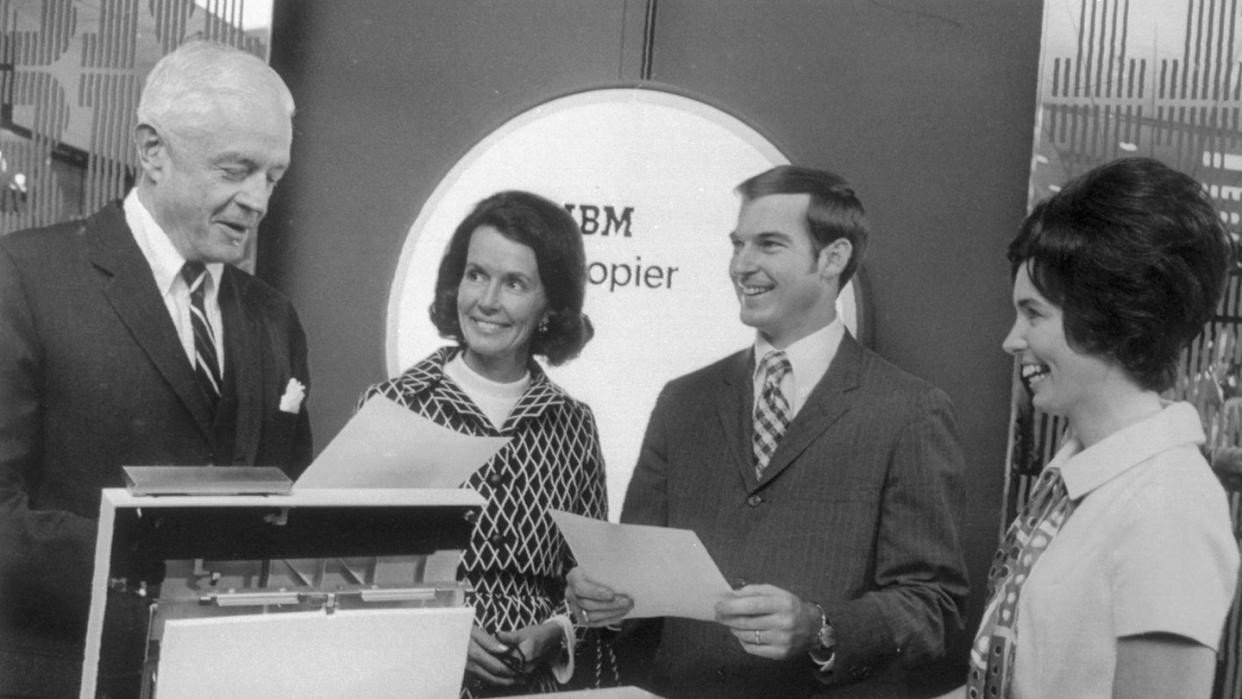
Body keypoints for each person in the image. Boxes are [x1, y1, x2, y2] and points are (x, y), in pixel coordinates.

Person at [567, 165, 969, 698]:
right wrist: (605, 603)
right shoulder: (682, 401)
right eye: (738, 244)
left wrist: (820, 626)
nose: (741, 265)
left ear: (833, 258)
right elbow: (635, 587)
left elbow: (932, 604)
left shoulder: (909, 411)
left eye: (768, 244)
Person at [0, 41, 312, 696]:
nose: (257, 199)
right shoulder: (22, 279)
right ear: (151, 152)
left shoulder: (273, 317)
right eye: (237, 169)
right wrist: (156, 566)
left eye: (273, 177)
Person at [961, 157, 1240, 698]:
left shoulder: (1170, 503)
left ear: (1109, 317)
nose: (1011, 340)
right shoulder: (1079, 477)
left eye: (1034, 314)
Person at [359, 190, 612, 697]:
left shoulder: (573, 423)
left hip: (535, 687)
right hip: (414, 680)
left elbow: (593, 588)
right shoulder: (394, 405)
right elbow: (354, 576)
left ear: (550, 306)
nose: (487, 301)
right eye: (476, 275)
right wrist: (438, 631)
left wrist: (554, 634)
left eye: (514, 283)